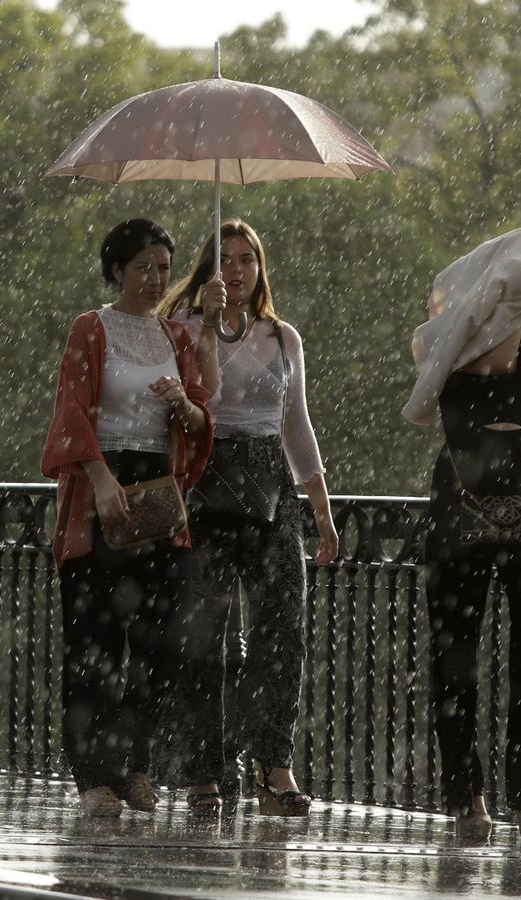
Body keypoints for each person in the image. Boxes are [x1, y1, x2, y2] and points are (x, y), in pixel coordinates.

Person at [403, 228, 521, 841]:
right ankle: (467, 795)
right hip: (459, 508)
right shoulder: (459, 346)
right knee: (454, 653)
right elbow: (430, 390)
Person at [159, 219, 340, 817]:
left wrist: (320, 507)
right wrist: (205, 324)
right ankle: (205, 771)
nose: (236, 270)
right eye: (225, 259)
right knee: (203, 636)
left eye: (246, 260)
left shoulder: (283, 338)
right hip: (206, 479)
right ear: (208, 267)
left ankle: (272, 765)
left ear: (260, 269)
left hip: (270, 487)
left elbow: (297, 425)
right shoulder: (182, 328)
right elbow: (196, 400)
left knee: (281, 632)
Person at [40, 218, 217, 817]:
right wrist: (99, 478)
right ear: (116, 269)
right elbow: (72, 410)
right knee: (92, 643)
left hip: (158, 497)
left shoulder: (176, 336)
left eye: (164, 267)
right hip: (101, 489)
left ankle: (138, 766)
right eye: (143, 266)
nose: (155, 278)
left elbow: (197, 427)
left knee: (157, 643)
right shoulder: (91, 329)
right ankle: (94, 775)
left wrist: (183, 405)